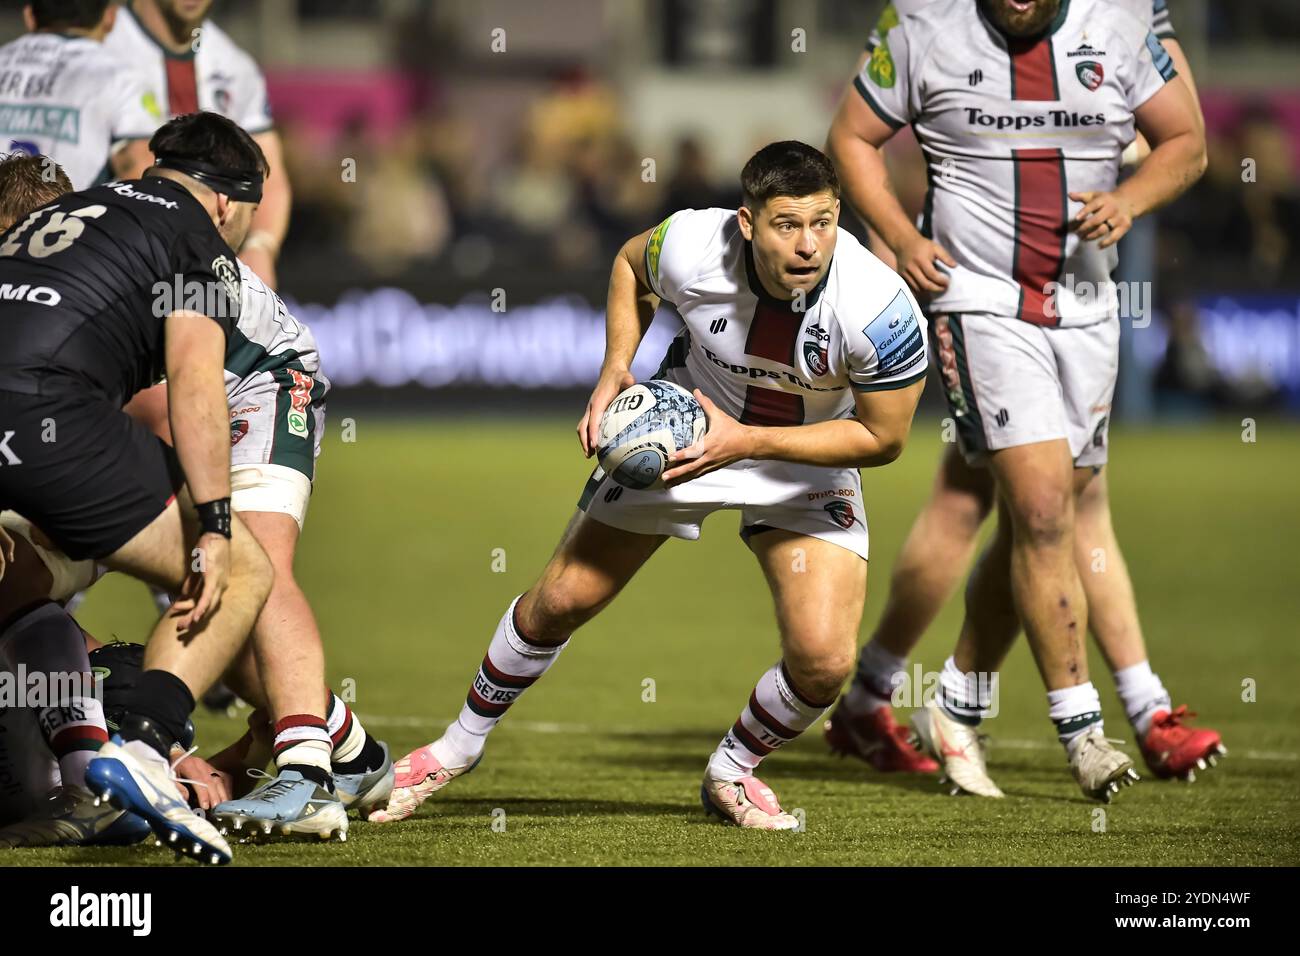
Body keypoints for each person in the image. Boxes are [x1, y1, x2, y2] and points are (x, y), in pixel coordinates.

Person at [371, 141, 929, 830]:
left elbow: (884, 438)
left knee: (822, 662)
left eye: (822, 222)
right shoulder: (695, 243)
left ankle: (731, 772)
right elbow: (629, 264)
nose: (809, 243)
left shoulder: (880, 308)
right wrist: (614, 368)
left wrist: (750, 441)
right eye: (787, 224)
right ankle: (454, 749)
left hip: (804, 460)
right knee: (559, 601)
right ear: (747, 223)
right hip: (684, 428)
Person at [824, 0, 1223, 785]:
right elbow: (852, 138)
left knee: (1025, 510)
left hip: (1086, 309)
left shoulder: (1124, 17)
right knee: (1042, 510)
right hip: (979, 305)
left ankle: (928, 697)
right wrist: (902, 240)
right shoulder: (920, 22)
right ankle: (1095, 726)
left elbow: (1187, 141)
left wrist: (1132, 199)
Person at [0, 110, 274, 864]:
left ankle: (77, 774)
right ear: (228, 201)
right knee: (244, 571)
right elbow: (194, 381)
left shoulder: (69, 208)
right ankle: (150, 750)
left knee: (20, 579)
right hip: (48, 408)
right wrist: (214, 523)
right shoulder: (197, 238)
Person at [103, 0, 290, 288]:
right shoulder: (100, 50)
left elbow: (270, 175)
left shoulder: (235, 68)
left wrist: (260, 246)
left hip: (200, 275)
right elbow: (137, 169)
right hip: (110, 271)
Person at [0, 1, 155, 188]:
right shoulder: (120, 77)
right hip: (68, 214)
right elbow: (139, 169)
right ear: (110, 18)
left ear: (29, 17)